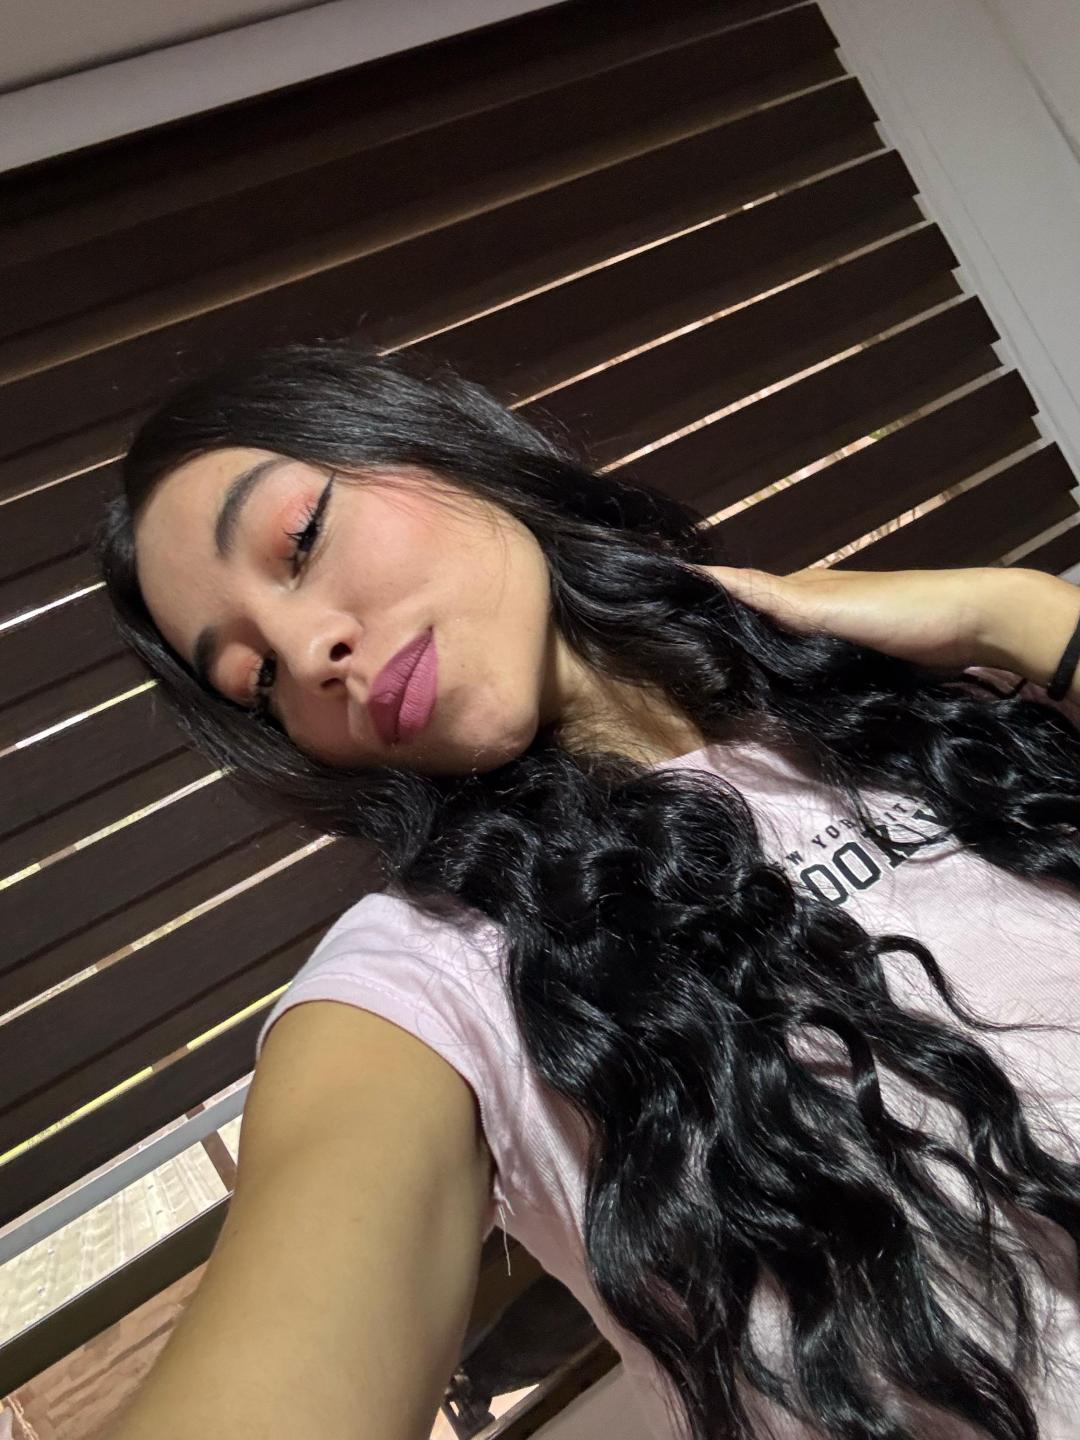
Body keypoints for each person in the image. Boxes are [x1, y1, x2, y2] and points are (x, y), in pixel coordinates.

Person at [96, 339, 1080, 1440]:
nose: (307, 646)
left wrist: (1018, 613)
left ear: (438, 448)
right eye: (259, 679)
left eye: (301, 538)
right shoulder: (429, 977)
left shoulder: (911, 697)